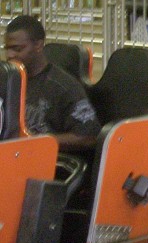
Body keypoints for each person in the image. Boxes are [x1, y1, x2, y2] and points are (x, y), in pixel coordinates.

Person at [3, 15, 101, 154]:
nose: (9, 55)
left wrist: (36, 143)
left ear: (38, 45)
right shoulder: (8, 82)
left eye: (17, 49)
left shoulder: (63, 86)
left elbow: (88, 136)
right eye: (7, 49)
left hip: (44, 163)